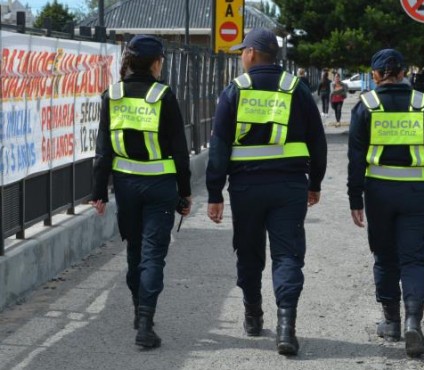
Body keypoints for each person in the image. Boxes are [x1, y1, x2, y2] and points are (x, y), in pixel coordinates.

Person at [205, 28, 327, 356]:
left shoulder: (235, 90)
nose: (242, 55)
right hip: (289, 186)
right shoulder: (296, 88)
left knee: (249, 252)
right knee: (287, 255)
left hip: (246, 188)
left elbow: (218, 146)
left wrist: (214, 192)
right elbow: (317, 140)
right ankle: (286, 327)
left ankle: (252, 314)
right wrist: (315, 182)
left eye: (243, 50)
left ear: (253, 54)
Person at [90, 35, 192, 349]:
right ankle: (145, 324)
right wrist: (185, 193)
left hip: (126, 186)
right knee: (153, 256)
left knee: (134, 251)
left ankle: (138, 312)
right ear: (155, 62)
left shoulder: (113, 95)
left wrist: (99, 191)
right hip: (160, 187)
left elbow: (103, 150)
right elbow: (179, 150)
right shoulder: (164, 95)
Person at [347, 49, 424, 358]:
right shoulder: (421, 104)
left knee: (385, 256)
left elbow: (355, 159)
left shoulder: (366, 106)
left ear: (375, 75)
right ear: (403, 73)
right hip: (416, 191)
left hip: (379, 193)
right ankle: (413, 321)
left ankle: (391, 323)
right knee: (414, 259)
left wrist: (354, 197)